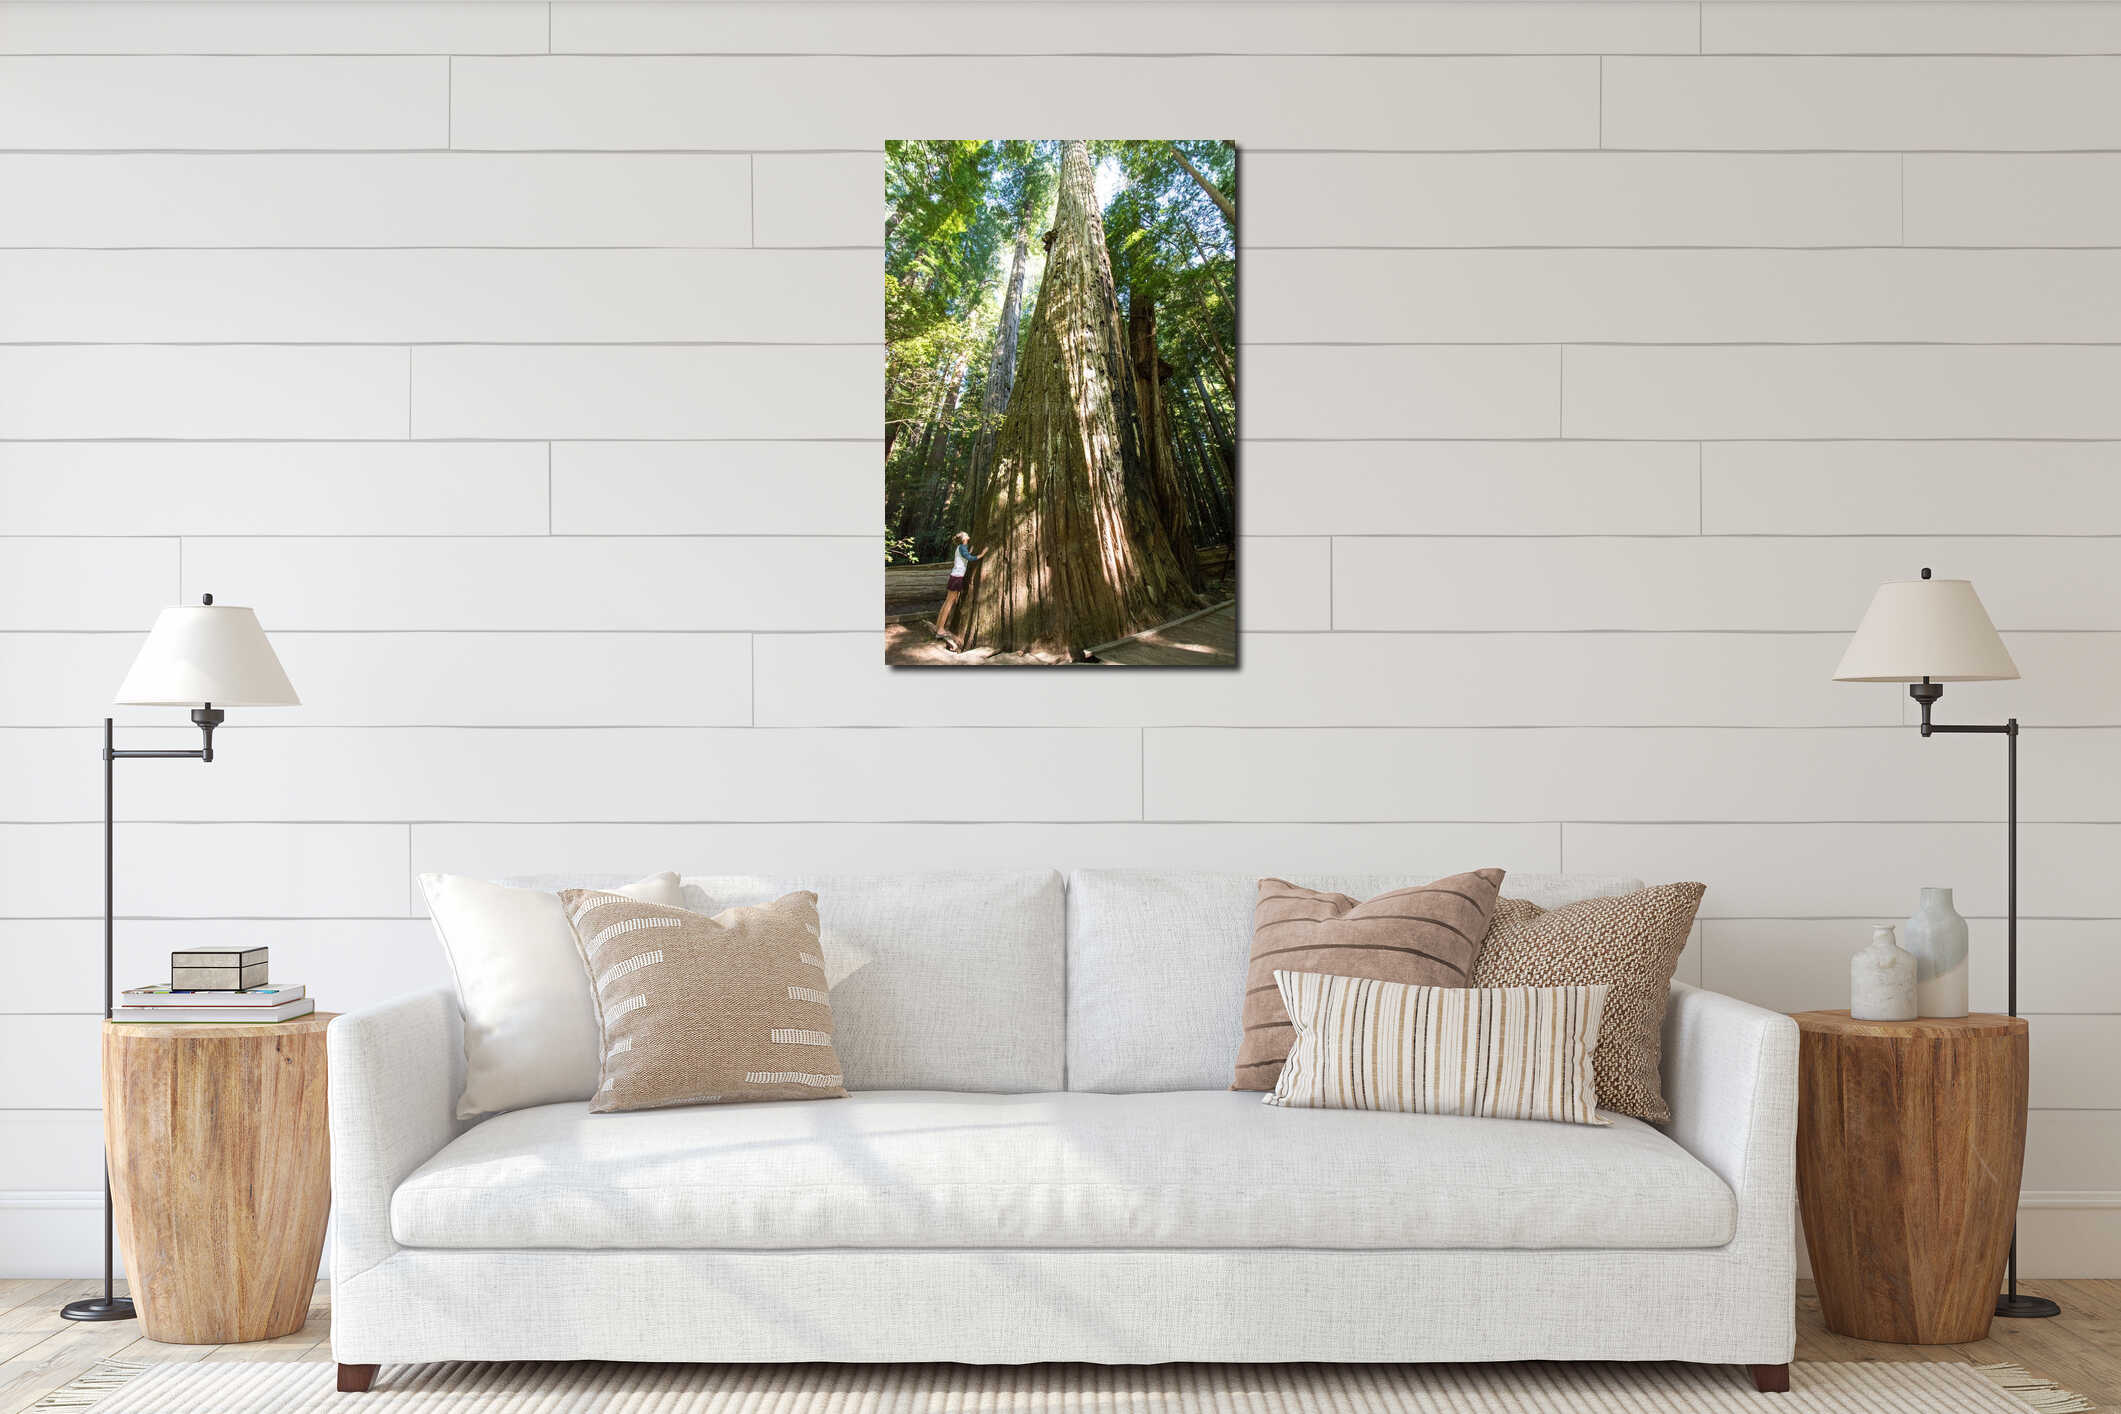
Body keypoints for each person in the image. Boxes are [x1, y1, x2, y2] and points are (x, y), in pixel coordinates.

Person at [934, 531, 984, 647]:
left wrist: (970, 551)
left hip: (955, 576)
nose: (968, 535)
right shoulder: (962, 548)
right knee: (949, 602)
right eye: (966, 535)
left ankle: (938, 626)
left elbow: (965, 555)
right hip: (957, 577)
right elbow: (969, 558)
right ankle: (940, 629)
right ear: (964, 539)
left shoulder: (961, 547)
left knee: (948, 601)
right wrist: (982, 554)